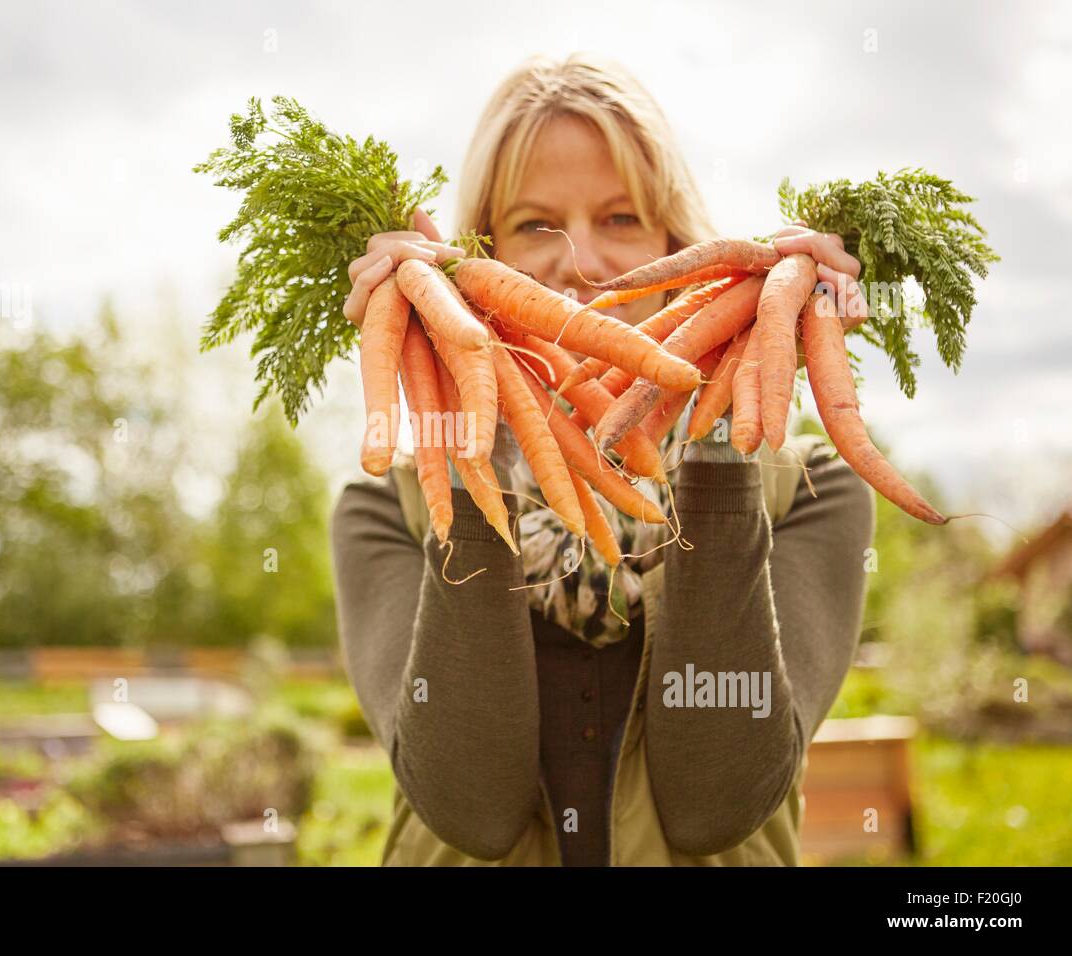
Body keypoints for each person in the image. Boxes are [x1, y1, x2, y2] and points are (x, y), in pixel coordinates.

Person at [332, 53, 875, 866]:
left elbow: (716, 804)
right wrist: (455, 411)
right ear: (477, 261)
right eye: (534, 224)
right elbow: (468, 805)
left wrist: (725, 419)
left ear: (680, 246)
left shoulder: (809, 491)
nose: (579, 261)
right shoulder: (389, 504)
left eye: (620, 219)